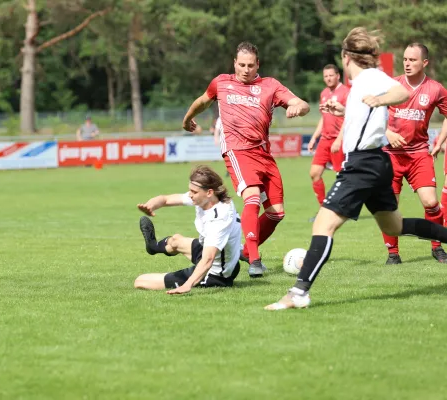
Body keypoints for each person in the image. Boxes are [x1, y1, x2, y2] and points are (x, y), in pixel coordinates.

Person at [265, 27, 447, 311]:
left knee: (323, 225)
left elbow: (399, 91)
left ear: (346, 57)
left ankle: (299, 292)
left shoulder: (372, 77)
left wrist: (381, 99)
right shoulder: (360, 84)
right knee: (394, 226)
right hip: (377, 162)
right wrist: (344, 112)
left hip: (362, 165)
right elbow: (365, 115)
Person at [182, 41, 310, 278]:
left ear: (257, 64)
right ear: (234, 63)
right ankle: (254, 260)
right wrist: (188, 117)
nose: (245, 69)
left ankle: (244, 251)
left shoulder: (270, 86)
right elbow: (203, 101)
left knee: (276, 212)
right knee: (251, 197)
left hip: (263, 154)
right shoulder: (221, 82)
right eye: (241, 64)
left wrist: (297, 109)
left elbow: (302, 104)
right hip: (237, 150)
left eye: (250, 65)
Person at [380, 43, 447, 264]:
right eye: (405, 59)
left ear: (425, 62)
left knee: (430, 202)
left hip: (419, 154)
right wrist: (388, 132)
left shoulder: (435, 89)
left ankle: (437, 247)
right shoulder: (392, 86)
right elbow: (371, 113)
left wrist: (440, 141)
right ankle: (393, 254)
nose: (407, 64)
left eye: (413, 60)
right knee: (390, 208)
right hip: (391, 155)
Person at [134, 165, 242, 294]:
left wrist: (187, 285)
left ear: (209, 192)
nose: (190, 195)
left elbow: (208, 259)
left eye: (194, 192)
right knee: (176, 240)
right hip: (223, 258)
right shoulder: (208, 199)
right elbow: (166, 199)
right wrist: (150, 205)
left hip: (216, 274)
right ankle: (153, 246)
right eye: (190, 190)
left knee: (140, 281)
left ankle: (188, 278)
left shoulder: (218, 219)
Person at [308, 65, 350, 209]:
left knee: (341, 177)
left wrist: (339, 139)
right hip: (325, 140)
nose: (328, 78)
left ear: (338, 75)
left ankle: (344, 208)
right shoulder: (324, 93)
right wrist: (314, 137)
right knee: (314, 173)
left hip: (340, 140)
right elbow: (324, 117)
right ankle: (324, 208)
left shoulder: (346, 92)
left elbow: (349, 118)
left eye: (331, 75)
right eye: (326, 76)